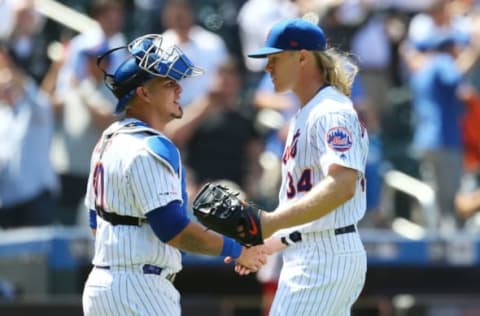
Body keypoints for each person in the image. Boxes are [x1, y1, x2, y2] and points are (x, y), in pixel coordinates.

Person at [81, 34, 267, 316]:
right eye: (168, 83)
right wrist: (237, 249)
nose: (179, 89)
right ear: (143, 93)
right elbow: (173, 230)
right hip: (141, 290)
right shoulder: (152, 146)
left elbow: (96, 224)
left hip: (102, 286)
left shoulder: (107, 140)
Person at [230, 18, 370, 315]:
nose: (268, 67)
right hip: (314, 251)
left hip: (324, 258)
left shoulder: (330, 111)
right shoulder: (303, 115)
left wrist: (270, 221)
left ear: (303, 57)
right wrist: (269, 243)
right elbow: (308, 211)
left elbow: (342, 186)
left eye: (275, 58)